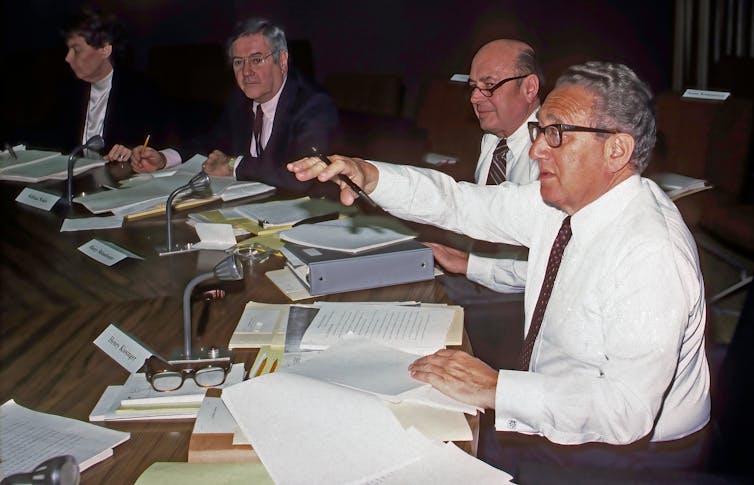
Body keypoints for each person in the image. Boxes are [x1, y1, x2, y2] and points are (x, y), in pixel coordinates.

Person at [288, 61, 710, 473]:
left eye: (556, 133)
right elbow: (461, 202)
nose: (537, 148)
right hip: (562, 411)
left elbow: (625, 411)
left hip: (634, 459)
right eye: (540, 130)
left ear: (616, 149)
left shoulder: (651, 252)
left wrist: (495, 387)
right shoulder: (566, 200)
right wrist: (369, 174)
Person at [108, 18, 338, 195]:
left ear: (283, 60)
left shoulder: (313, 105)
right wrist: (164, 158)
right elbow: (212, 142)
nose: (246, 72)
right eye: (239, 63)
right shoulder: (239, 100)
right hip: (250, 210)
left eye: (257, 60)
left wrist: (233, 165)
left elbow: (305, 173)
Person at [428, 39, 541, 295]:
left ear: (530, 87)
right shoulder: (492, 138)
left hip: (523, 301)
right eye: (473, 87)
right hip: (484, 279)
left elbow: (548, 267)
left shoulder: (552, 150)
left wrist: (470, 265)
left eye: (489, 86)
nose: (475, 98)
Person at [40, 8, 162, 157]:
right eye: (68, 49)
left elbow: (155, 145)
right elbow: (48, 142)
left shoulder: (141, 91)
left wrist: (133, 154)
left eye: (76, 50)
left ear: (105, 49)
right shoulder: (67, 91)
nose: (67, 58)